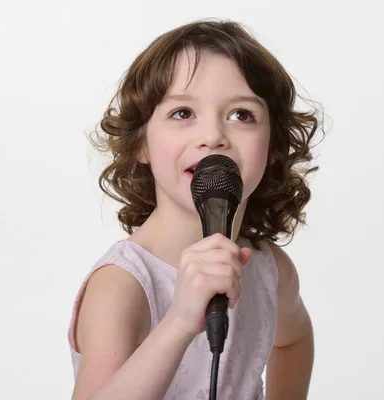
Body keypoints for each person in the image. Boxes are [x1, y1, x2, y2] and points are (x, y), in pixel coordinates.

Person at [67, 18, 323, 400]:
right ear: (141, 143)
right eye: (183, 113)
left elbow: (293, 338)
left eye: (241, 114)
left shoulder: (270, 271)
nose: (213, 137)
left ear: (273, 148)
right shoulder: (123, 286)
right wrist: (179, 323)